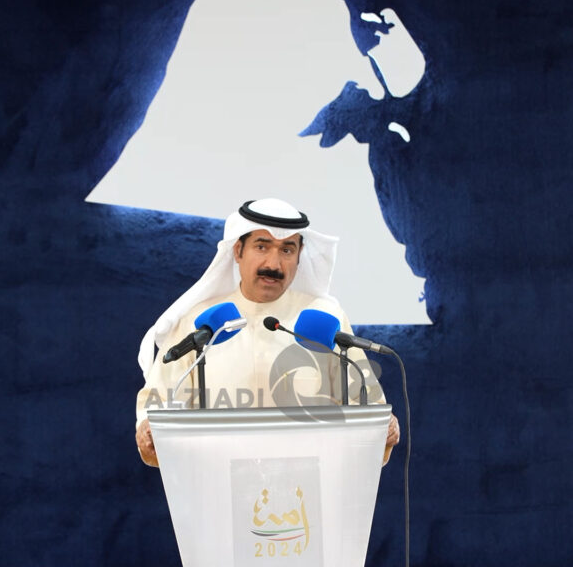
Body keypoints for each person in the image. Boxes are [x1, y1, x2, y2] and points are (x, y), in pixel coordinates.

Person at [135, 198, 400, 467]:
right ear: (238, 251)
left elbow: (365, 403)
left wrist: (382, 428)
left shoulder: (324, 319)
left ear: (299, 255)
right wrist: (149, 429)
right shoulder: (201, 322)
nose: (273, 264)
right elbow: (159, 401)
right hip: (217, 476)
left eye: (287, 250)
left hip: (308, 481)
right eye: (261, 247)